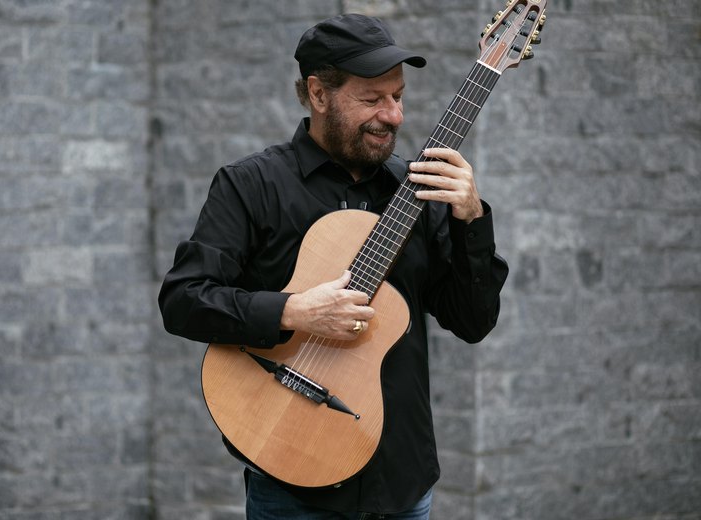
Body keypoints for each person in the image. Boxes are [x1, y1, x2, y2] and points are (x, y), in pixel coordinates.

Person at [159, 13, 509, 519]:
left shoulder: (418, 192)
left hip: (403, 484)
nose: (393, 116)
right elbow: (183, 300)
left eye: (398, 97)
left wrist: (471, 218)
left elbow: (474, 322)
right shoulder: (251, 185)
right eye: (371, 99)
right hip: (292, 485)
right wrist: (293, 312)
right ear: (319, 94)